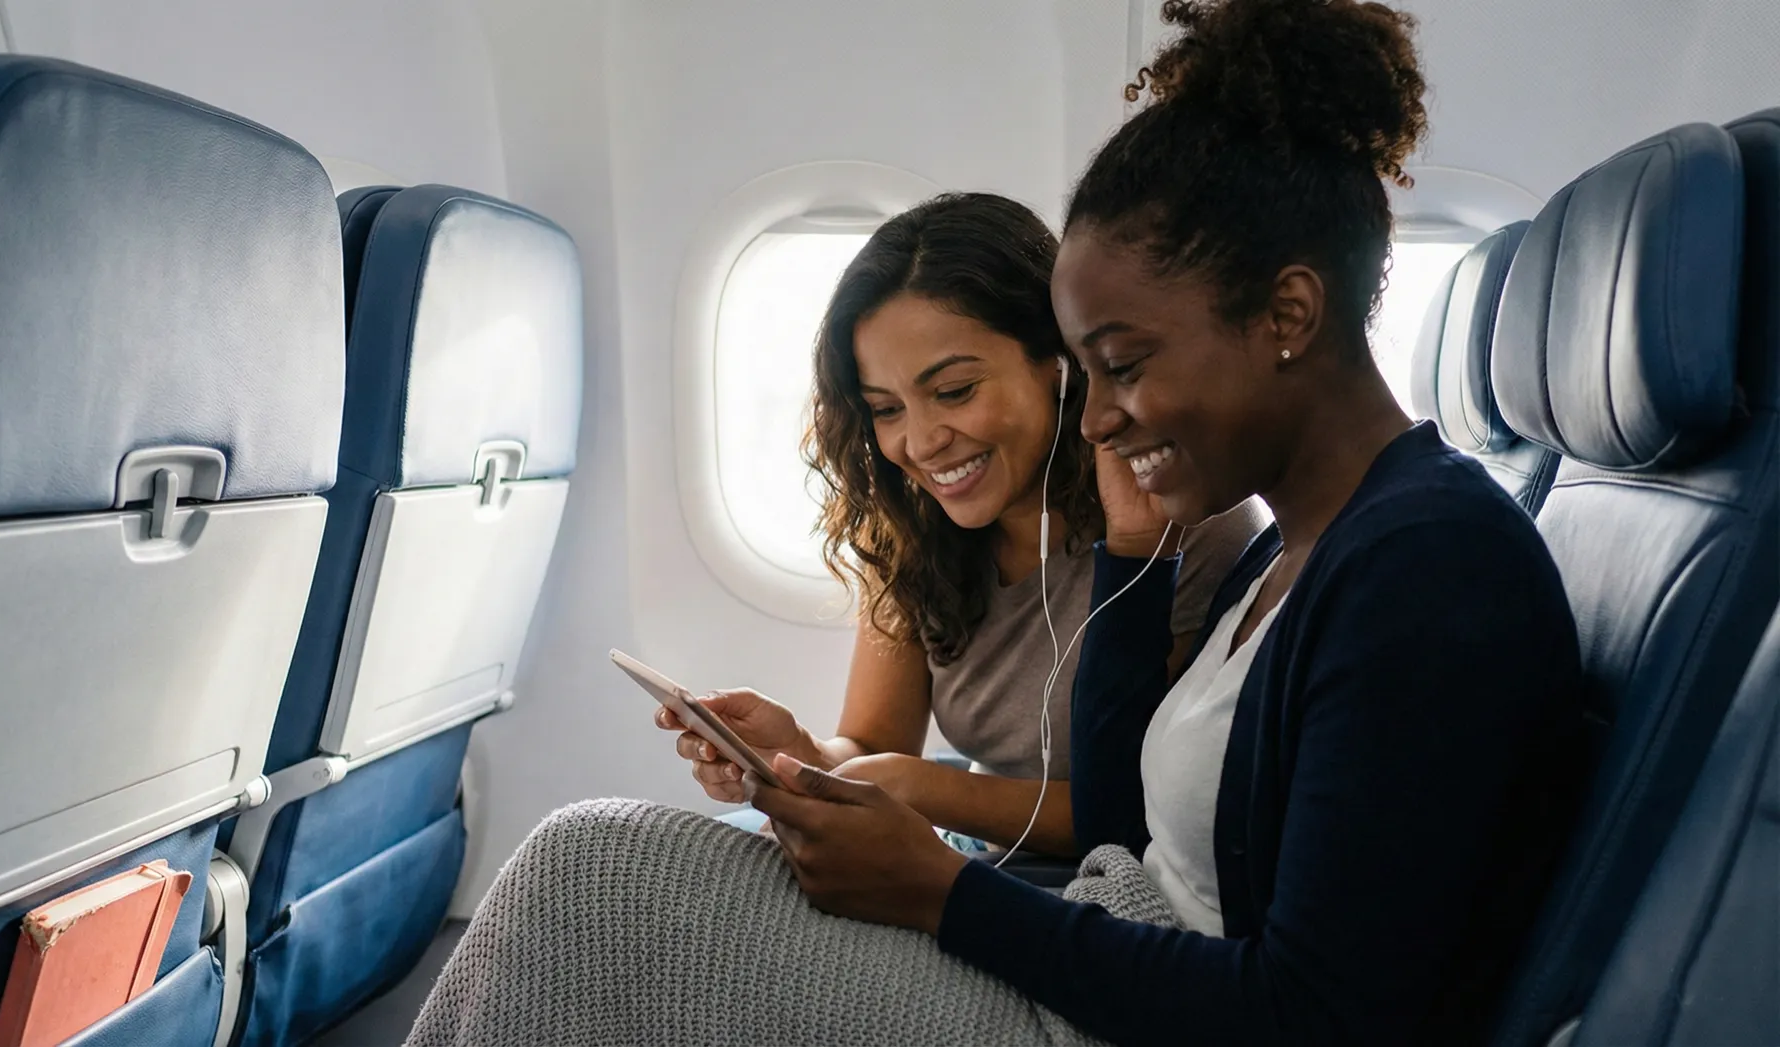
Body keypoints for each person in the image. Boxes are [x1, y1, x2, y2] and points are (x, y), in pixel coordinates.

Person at [405, 1, 1585, 1044]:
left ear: (1287, 312)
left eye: (1121, 367)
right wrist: (1129, 551)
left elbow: (1310, 1015)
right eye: (1091, 377)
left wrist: (944, 894)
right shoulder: (1296, 545)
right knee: (591, 871)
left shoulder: (1426, 568)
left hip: (1107, 996)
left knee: (590, 877)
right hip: (1096, 943)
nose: (1104, 420)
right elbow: (1128, 819)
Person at [683, 193, 1265, 856]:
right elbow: (873, 745)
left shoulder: (1179, 523)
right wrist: (799, 754)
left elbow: (1131, 811)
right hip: (977, 845)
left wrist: (921, 787)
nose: (922, 442)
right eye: (886, 408)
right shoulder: (907, 527)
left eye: (955, 391)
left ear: (1059, 361)